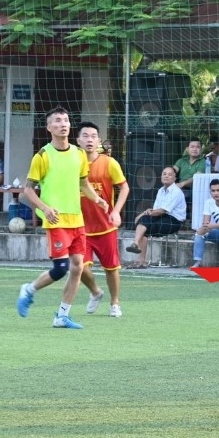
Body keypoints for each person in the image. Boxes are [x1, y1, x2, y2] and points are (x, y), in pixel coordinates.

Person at [15, 107, 110, 329]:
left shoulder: (79, 154)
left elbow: (83, 183)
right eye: (57, 121)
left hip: (77, 220)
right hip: (56, 220)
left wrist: (97, 199)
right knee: (61, 268)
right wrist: (45, 208)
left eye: (66, 120)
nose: (63, 124)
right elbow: (28, 190)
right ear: (49, 127)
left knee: (78, 267)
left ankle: (62, 316)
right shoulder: (43, 156)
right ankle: (28, 289)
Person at [76, 122, 130, 318]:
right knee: (79, 266)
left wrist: (116, 211)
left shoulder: (109, 163)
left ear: (98, 140)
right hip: (80, 227)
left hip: (106, 226)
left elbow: (124, 188)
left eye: (93, 136)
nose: (89, 139)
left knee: (112, 268)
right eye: (85, 136)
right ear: (78, 140)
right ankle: (95, 292)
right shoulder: (73, 163)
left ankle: (115, 303)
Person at [130, 165, 187, 269]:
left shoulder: (176, 191)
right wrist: (144, 214)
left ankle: (136, 247)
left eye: (170, 175)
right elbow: (155, 210)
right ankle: (140, 260)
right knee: (144, 224)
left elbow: (161, 210)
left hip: (173, 221)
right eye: (164, 174)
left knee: (144, 221)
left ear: (175, 178)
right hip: (161, 217)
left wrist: (142, 214)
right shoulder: (161, 190)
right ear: (161, 176)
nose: (166, 176)